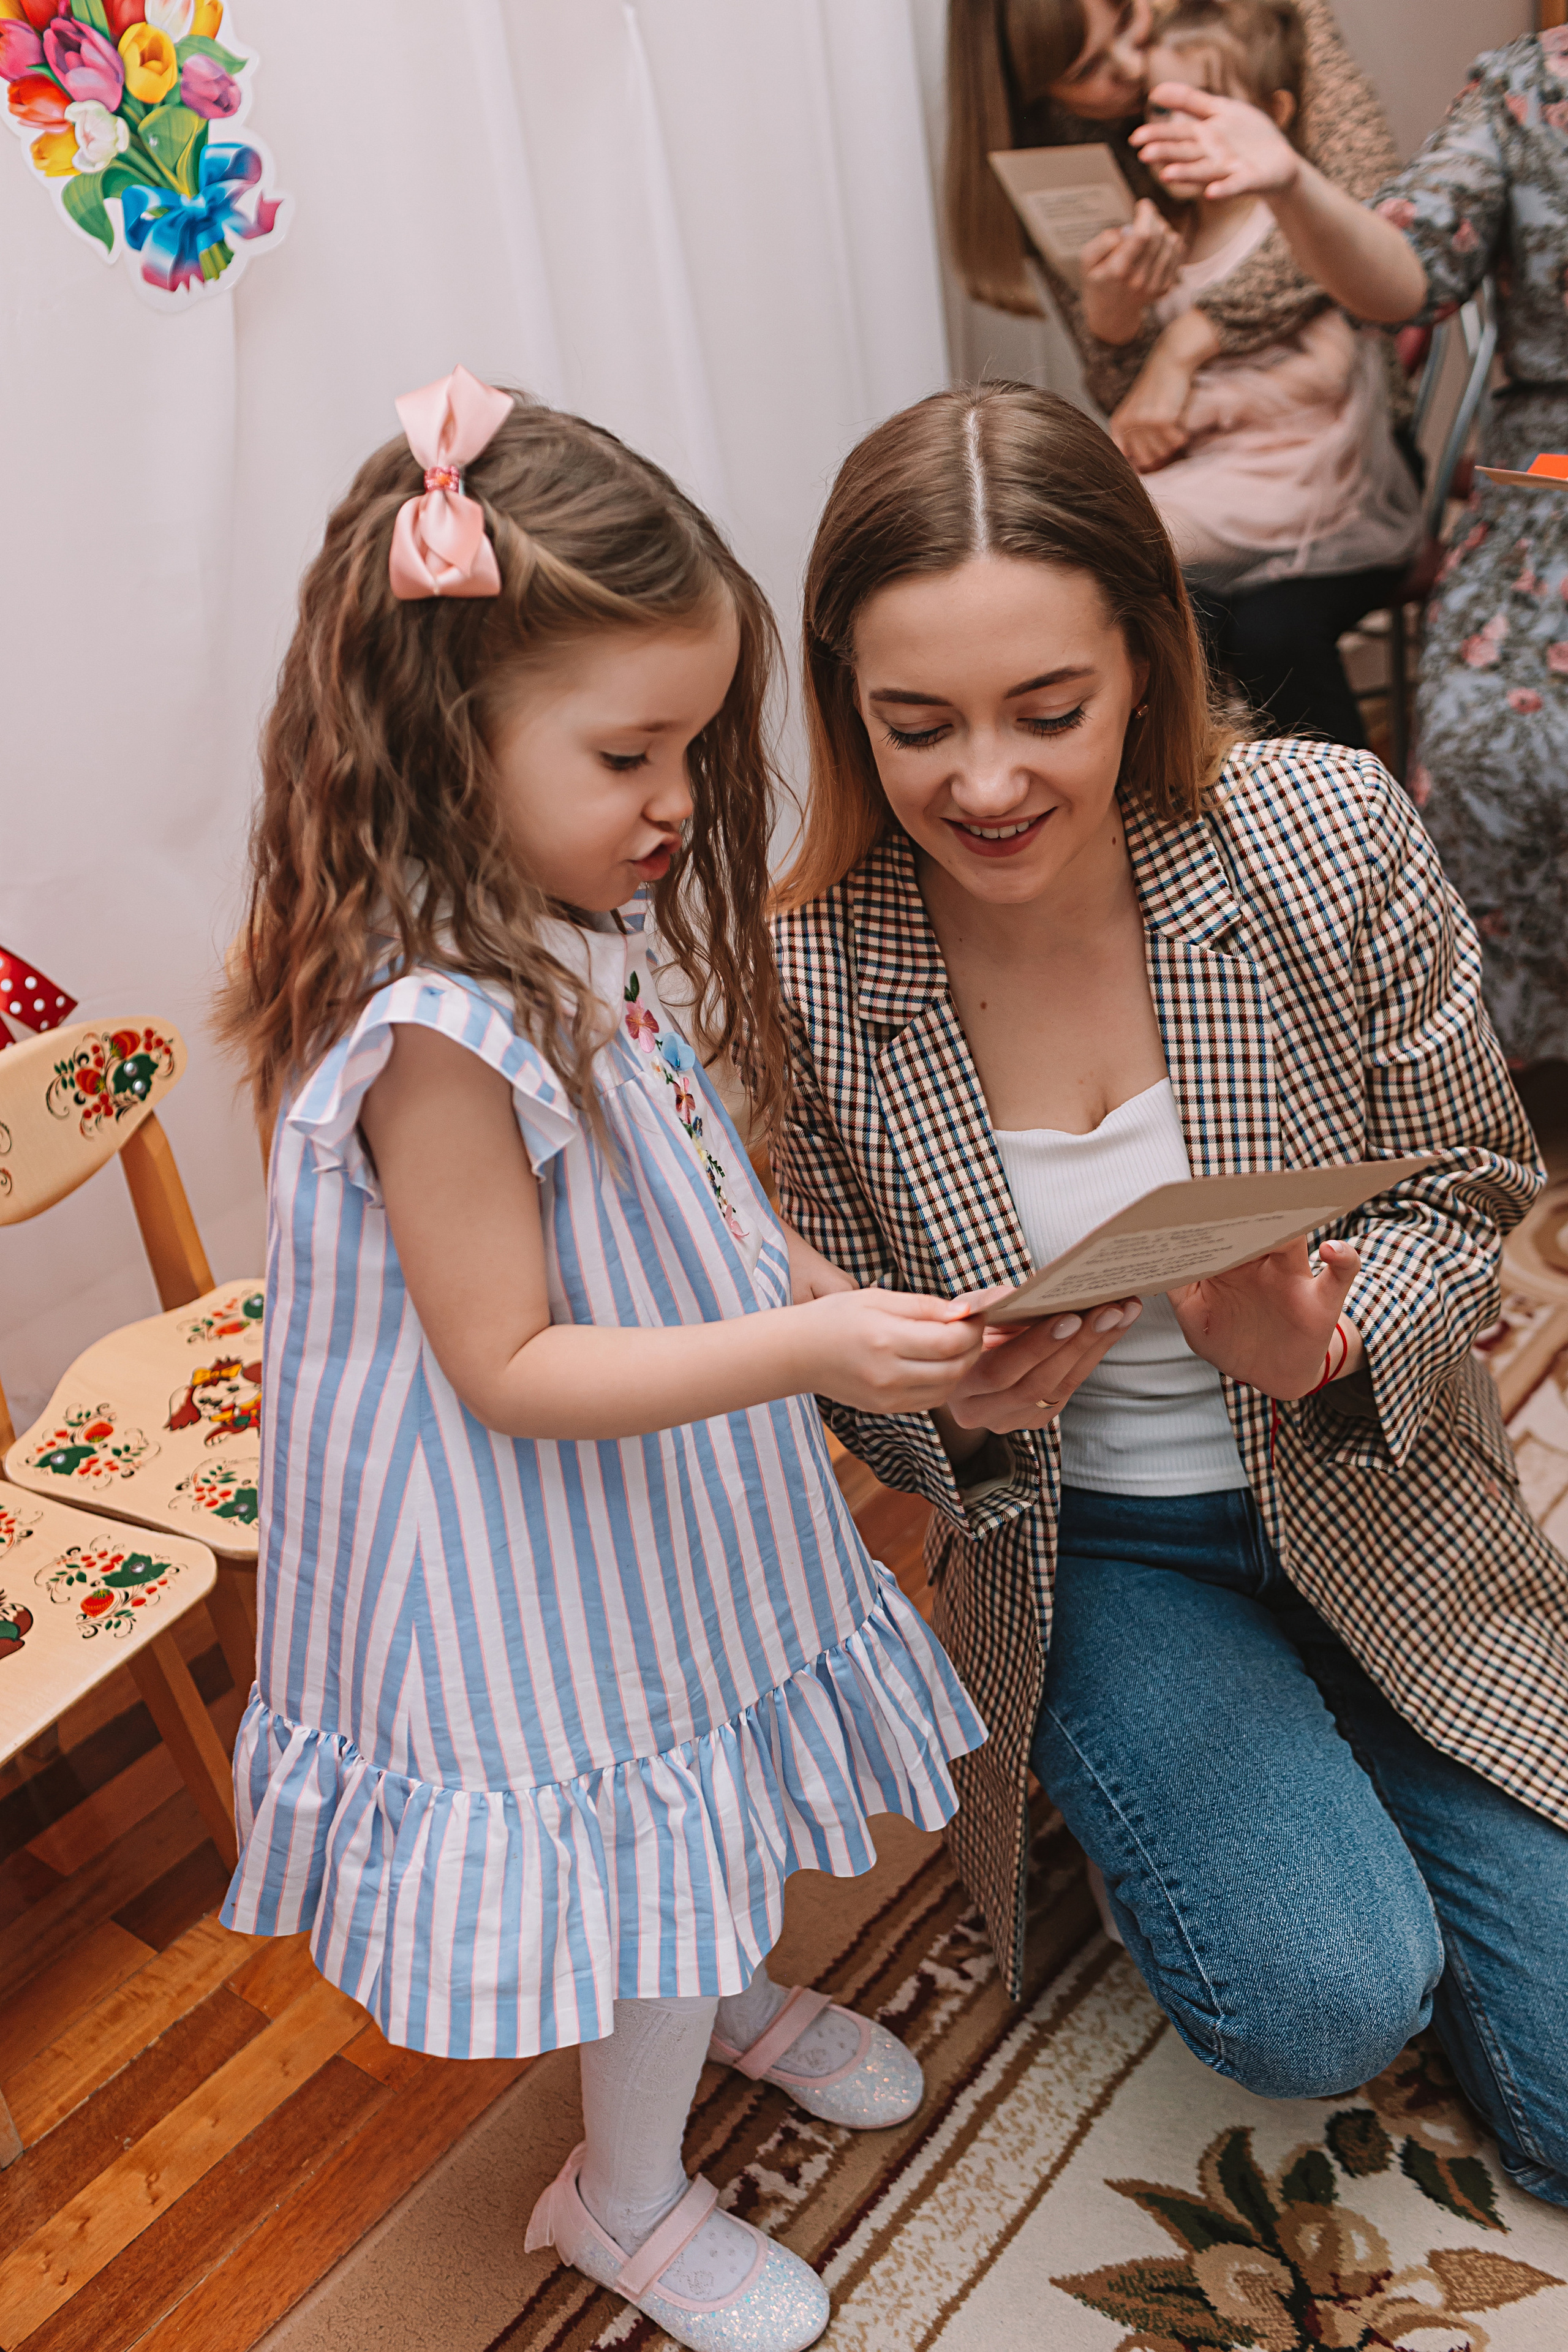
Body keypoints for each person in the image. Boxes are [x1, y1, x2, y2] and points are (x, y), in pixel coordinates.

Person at [217, 368, 989, 2352]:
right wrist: (812, 1340)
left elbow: (699, 1205)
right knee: (652, 1814)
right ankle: (620, 2200)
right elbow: (507, 1364)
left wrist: (845, 1307)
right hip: (535, 1533)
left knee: (706, 1786)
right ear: (444, 739)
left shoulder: (572, 912)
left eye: (694, 748)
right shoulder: (438, 1033)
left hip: (668, 1486)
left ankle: (715, 1992)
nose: (677, 801)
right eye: (632, 752)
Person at [771, 382, 1568, 2207]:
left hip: (1383, 1491)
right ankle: (1256, 1778)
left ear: (1144, 658)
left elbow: (1474, 1182)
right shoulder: (809, 966)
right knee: (1317, 1998)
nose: (984, 781)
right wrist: (939, 1396)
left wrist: (1331, 1335)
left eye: (1046, 709)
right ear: (845, 707)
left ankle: (1360, 1728)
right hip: (1098, 1557)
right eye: (916, 727)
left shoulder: (1321, 834)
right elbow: (832, 1373)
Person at [1130, 31, 1568, 1083]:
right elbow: (1403, 280)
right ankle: (1466, 1065)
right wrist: (1290, 187)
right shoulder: (1525, 88)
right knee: (1478, 746)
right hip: (1550, 474)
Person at [945, 0, 1411, 742]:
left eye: (1129, 21)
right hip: (1203, 471)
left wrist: (1188, 345)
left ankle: (1339, 829)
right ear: (1037, 93)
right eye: (1086, 70)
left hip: (1326, 470)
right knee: (1152, 619)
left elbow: (1371, 223)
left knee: (1236, 622)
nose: (1129, 67)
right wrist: (1113, 319)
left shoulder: (1246, 45)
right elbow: (1130, 403)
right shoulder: (1085, 170)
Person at [1115, 0, 1420, 707]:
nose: (1176, 134)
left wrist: (1196, 409)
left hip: (1306, 470)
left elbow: (1327, 369)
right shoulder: (1169, 237)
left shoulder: (1286, 224)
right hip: (1225, 472)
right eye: (1160, 111)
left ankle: (1338, 806)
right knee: (1165, 601)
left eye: (1206, 108)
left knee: (1121, 532)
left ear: (1272, 113)